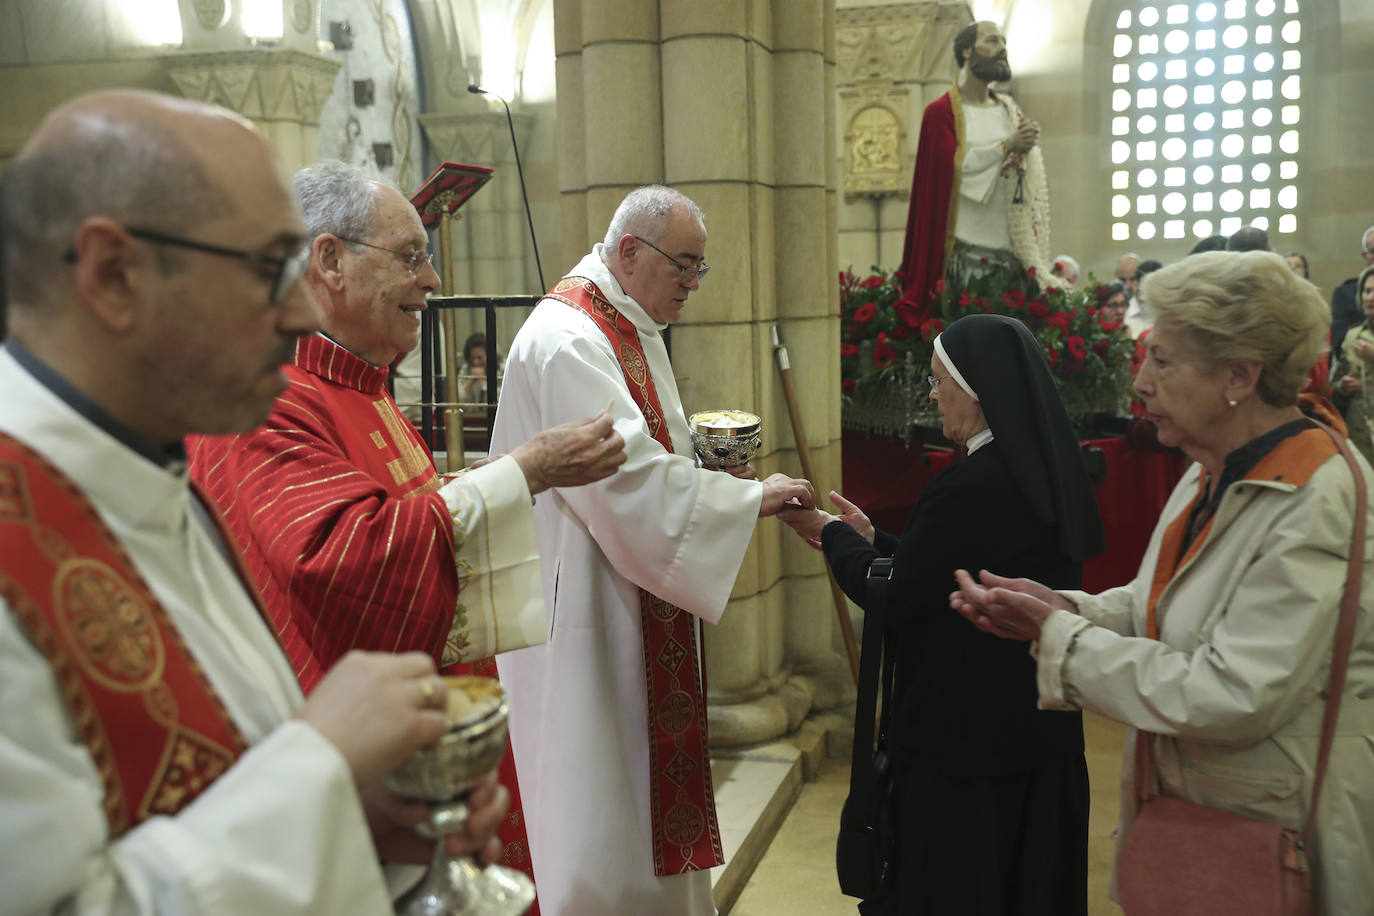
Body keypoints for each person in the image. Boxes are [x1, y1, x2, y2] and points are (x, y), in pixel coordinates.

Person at [0, 90, 507, 914]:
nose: (303, 308)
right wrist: (320, 765)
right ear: (113, 274)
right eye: (270, 265)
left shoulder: (149, 467)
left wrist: (353, 820)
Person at [186, 160, 625, 894]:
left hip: (425, 741)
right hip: (364, 781)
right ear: (328, 260)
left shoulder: (357, 381)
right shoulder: (272, 397)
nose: (434, 281)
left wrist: (475, 485)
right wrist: (524, 472)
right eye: (412, 256)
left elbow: (394, 504)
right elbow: (339, 557)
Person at [950, 251, 1374, 915]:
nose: (1141, 383)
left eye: (1164, 362)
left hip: (1276, 833)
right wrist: (1068, 606)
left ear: (1239, 375)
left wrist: (1064, 640)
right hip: (1210, 814)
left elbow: (1235, 693)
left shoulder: (1314, 497)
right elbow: (1163, 603)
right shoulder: (1216, 466)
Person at [490, 185, 816, 915]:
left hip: (619, 586)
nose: (694, 285)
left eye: (702, 268)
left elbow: (644, 458)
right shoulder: (573, 335)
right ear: (630, 252)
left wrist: (707, 481)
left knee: (626, 797)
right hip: (584, 609)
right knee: (599, 798)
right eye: (685, 266)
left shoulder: (619, 321)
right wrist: (744, 498)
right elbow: (622, 476)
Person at [777, 314, 1103, 915]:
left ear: (974, 389)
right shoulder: (1043, 473)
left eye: (937, 380)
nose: (932, 395)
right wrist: (873, 540)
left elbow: (898, 595)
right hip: (1037, 736)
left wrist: (829, 535)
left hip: (964, 751)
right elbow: (950, 571)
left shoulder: (969, 485)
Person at [892, 20, 1052, 325]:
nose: (1002, 48)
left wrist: (1025, 145)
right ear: (967, 50)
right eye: (992, 41)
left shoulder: (1008, 110)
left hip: (1009, 254)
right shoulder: (941, 112)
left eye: (1003, 41)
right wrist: (1007, 145)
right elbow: (952, 166)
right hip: (962, 256)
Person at [1333, 265, 1374, 464]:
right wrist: (1343, 385)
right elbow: (1334, 383)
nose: (1370, 297)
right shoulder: (1352, 335)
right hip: (1361, 435)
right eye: (1367, 291)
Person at [1330, 225, 1374, 370]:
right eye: (1373, 251)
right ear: (1364, 255)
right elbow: (1338, 342)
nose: (1370, 298)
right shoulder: (1345, 293)